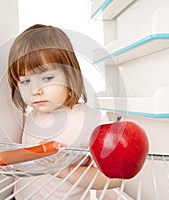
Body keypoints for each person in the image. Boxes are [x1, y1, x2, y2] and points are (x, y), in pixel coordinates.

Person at [7, 24, 122, 200]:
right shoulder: (31, 115)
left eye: (46, 78)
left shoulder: (92, 121)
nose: (35, 90)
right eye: (25, 81)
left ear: (70, 75)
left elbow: (113, 179)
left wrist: (66, 170)